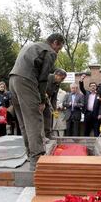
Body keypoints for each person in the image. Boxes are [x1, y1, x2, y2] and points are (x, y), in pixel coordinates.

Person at [9, 33, 64, 170]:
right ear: (55, 42)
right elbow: (43, 78)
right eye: (59, 48)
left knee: (24, 121)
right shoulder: (49, 51)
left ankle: (30, 155)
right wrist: (41, 99)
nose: (58, 51)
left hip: (13, 80)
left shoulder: (32, 45)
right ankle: (37, 159)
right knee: (34, 119)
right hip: (27, 81)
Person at [44, 68, 67, 139]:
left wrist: (55, 110)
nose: (62, 80)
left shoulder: (57, 83)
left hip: (47, 101)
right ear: (57, 75)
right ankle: (41, 137)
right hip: (38, 100)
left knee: (48, 116)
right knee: (40, 119)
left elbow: (54, 98)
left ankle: (48, 134)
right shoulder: (47, 77)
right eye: (62, 78)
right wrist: (43, 93)